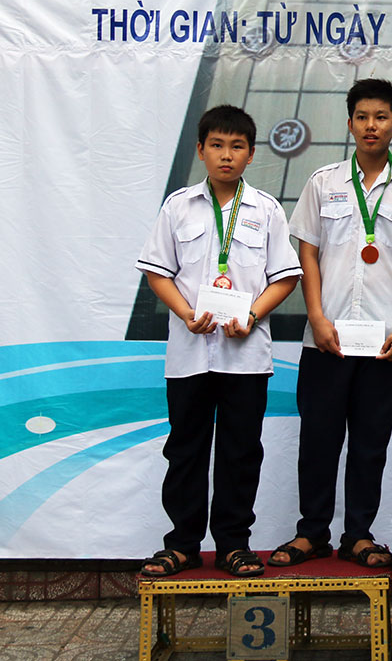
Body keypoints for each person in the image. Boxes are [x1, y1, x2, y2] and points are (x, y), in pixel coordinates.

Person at [136, 105, 301, 577]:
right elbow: (158, 272)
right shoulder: (178, 206)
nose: (226, 155)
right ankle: (182, 544)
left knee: (240, 451)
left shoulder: (266, 209)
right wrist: (186, 313)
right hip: (189, 354)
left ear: (251, 154)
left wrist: (252, 314)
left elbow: (285, 276)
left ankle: (233, 544)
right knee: (184, 449)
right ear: (200, 150)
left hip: (245, 357)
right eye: (217, 145)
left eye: (236, 146)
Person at [271, 79, 392, 568]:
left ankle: (358, 534)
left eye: (380, 117)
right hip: (328, 338)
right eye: (362, 117)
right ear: (350, 123)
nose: (370, 126)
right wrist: (316, 318)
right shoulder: (323, 182)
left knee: (369, 443)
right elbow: (307, 255)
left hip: (384, 340)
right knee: (319, 439)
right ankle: (312, 533)